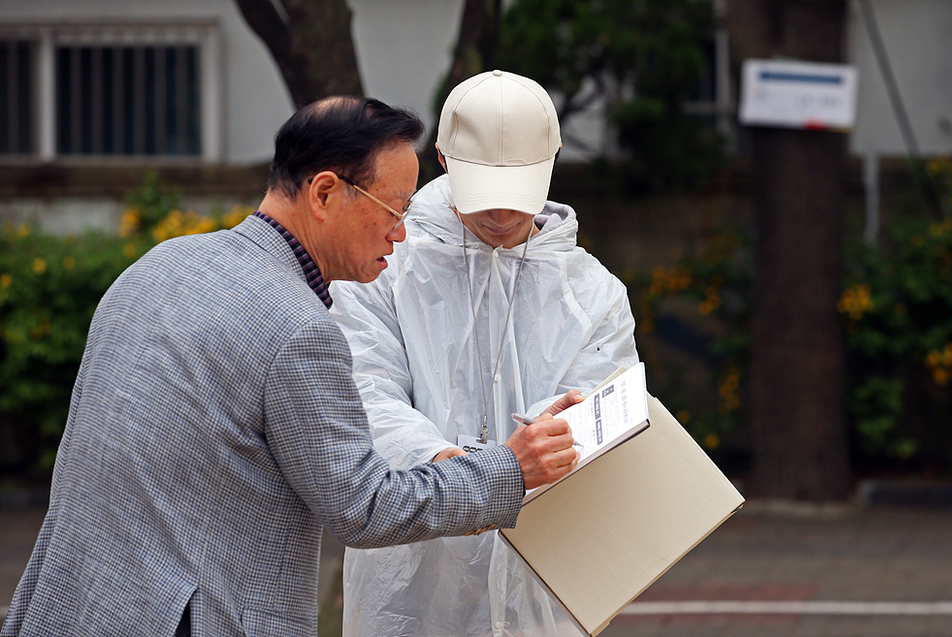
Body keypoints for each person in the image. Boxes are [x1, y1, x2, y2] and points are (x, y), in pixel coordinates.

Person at [0, 96, 579, 637]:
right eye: (394, 210)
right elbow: (363, 506)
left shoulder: (162, 264)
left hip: (68, 603)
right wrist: (508, 469)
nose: (400, 235)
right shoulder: (298, 330)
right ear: (324, 194)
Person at [330, 71, 639, 637]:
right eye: (484, 196)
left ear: (553, 159)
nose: (499, 216)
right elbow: (362, 392)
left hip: (544, 580)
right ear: (443, 159)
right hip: (411, 576)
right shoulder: (383, 266)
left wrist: (555, 441)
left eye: (514, 195)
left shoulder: (592, 292)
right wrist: (469, 474)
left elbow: (603, 406)